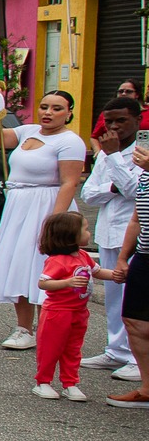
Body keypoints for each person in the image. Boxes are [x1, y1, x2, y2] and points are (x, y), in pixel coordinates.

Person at [0, 91, 87, 350]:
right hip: (19, 205)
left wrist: (54, 222)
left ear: (69, 113)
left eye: (57, 108)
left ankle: (48, 326)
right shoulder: (27, 131)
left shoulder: (71, 142)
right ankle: (23, 328)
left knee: (43, 265)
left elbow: (69, 182)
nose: (48, 112)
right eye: (44, 107)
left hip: (47, 205)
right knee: (19, 264)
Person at [82, 99, 144, 381]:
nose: (114, 127)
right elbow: (89, 194)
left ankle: (136, 356)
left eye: (121, 121)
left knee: (136, 299)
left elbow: (134, 190)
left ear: (138, 119)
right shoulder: (107, 154)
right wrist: (113, 186)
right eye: (109, 122)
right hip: (108, 231)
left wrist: (115, 157)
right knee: (113, 297)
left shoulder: (141, 151)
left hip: (135, 235)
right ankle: (116, 349)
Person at [29, 211, 119, 401]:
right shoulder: (56, 261)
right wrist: (67, 282)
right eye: (85, 229)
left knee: (73, 348)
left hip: (79, 312)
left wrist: (117, 275)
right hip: (57, 312)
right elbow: (43, 283)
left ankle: (70, 383)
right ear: (70, 235)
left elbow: (98, 271)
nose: (89, 233)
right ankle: (42, 381)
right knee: (50, 348)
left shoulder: (83, 256)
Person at [105, 141, 149, 409]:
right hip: (144, 255)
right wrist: (124, 257)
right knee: (135, 321)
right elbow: (136, 218)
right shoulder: (145, 172)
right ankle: (146, 388)